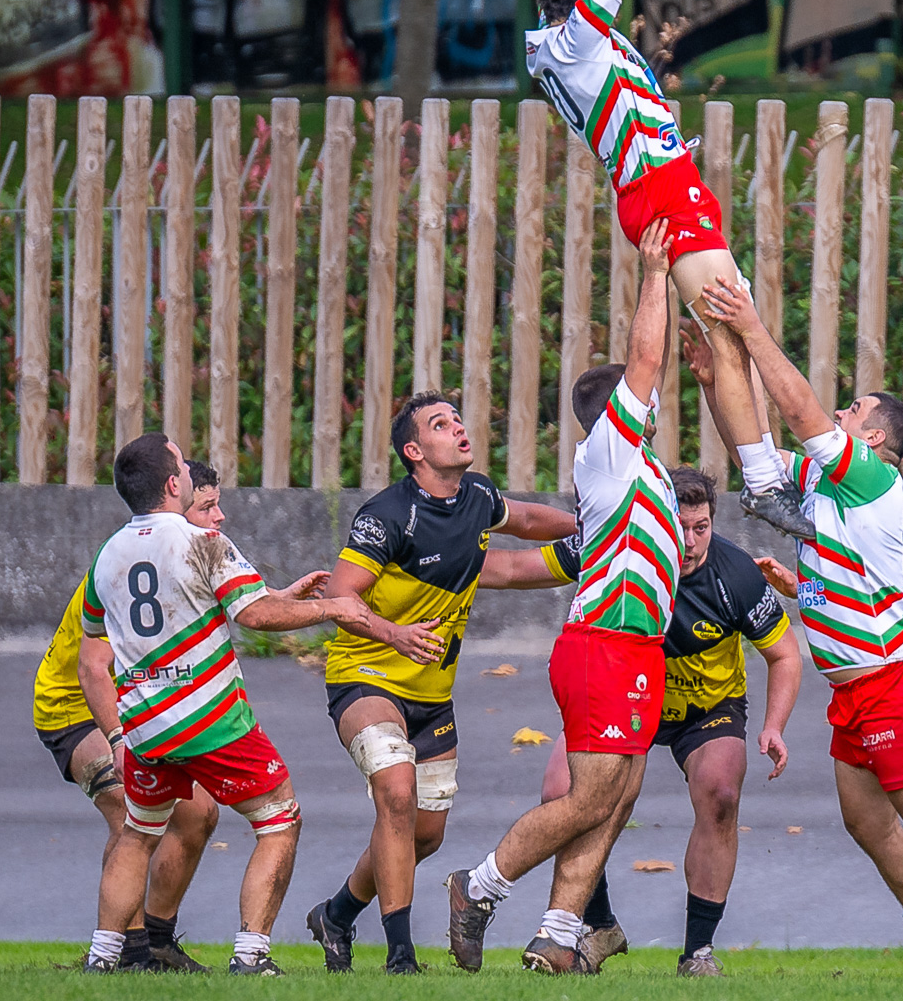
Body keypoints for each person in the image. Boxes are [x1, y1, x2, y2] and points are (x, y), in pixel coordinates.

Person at [500, 0, 808, 541]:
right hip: (663, 192)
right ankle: (763, 479)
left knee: (728, 327)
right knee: (731, 327)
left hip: (661, 189)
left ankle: (765, 470)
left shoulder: (563, 35)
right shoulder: (581, 40)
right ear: (583, 4)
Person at [692, 277, 903, 982]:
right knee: (866, 822)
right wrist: (719, 371)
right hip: (851, 686)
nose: (838, 412)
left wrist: (751, 329)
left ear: (872, 437)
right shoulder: (825, 481)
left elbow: (798, 409)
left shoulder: (872, 475)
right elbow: (751, 445)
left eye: (853, 409)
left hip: (892, 676)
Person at [447, 221, 683, 974]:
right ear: (619, 411)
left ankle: (557, 933)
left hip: (638, 647)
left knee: (614, 801)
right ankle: (477, 887)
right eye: (644, 399)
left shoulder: (642, 469)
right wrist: (656, 275)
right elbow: (647, 357)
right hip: (605, 645)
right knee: (588, 800)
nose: (654, 400)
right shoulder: (612, 448)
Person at [482, 465, 803, 976]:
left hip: (706, 708)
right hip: (622, 694)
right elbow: (515, 569)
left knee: (721, 790)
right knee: (560, 794)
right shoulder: (617, 545)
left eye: (702, 527)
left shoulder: (735, 574)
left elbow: (785, 655)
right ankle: (599, 924)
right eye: (681, 527)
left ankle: (697, 951)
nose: (692, 542)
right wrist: (435, 564)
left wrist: (773, 725)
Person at [80, 434, 380, 976]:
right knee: (278, 819)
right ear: (175, 484)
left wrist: (280, 596)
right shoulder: (201, 541)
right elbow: (255, 616)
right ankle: (251, 956)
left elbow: (123, 631)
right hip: (211, 720)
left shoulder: (107, 554)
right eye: (183, 466)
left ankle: (103, 958)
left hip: (145, 728)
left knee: (138, 834)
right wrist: (334, 608)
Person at [306, 395, 576, 974]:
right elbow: (340, 597)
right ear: (414, 451)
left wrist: (596, 523)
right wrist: (392, 633)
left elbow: (526, 524)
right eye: (440, 424)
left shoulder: (476, 497)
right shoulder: (387, 516)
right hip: (365, 676)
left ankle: (336, 914)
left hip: (431, 695)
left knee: (421, 835)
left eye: (457, 418)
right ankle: (401, 956)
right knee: (397, 796)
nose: (458, 426)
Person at [32, 459, 227, 972]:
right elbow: (93, 669)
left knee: (202, 813)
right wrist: (120, 739)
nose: (219, 517)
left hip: (139, 705)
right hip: (75, 705)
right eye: (207, 506)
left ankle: (157, 940)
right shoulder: (135, 557)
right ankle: (126, 952)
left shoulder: (187, 556)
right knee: (130, 811)